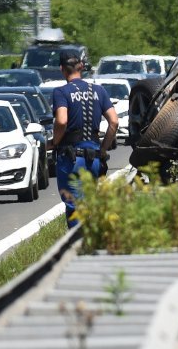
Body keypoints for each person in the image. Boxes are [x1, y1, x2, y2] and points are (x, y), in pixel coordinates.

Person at [51, 50, 118, 228]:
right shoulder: (99, 91)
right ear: (81, 66)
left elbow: (62, 120)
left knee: (74, 207)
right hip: (94, 158)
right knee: (89, 205)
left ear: (62, 69)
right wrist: (103, 150)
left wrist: (54, 142)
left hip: (71, 158)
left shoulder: (61, 92)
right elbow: (114, 121)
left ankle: (78, 247)